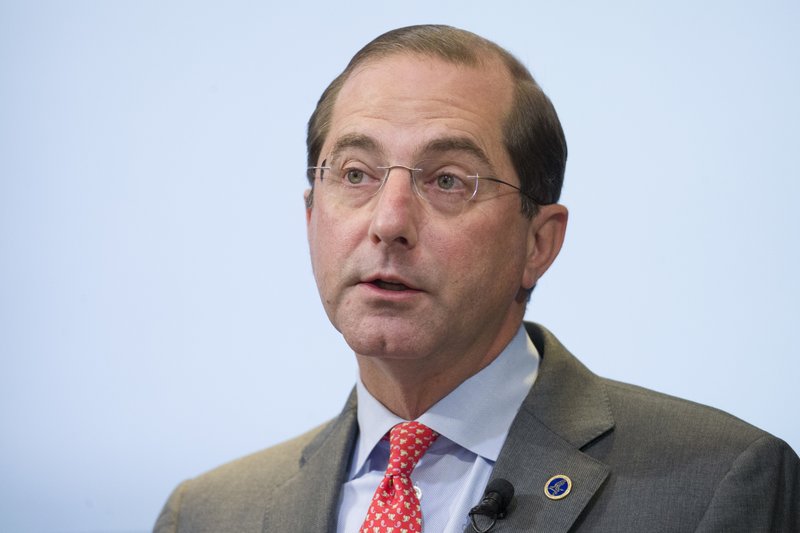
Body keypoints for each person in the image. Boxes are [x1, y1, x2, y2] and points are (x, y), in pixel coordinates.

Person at [154, 25, 799, 532]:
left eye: (447, 181)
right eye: (354, 173)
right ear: (310, 214)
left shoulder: (718, 484)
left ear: (538, 243)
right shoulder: (208, 513)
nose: (389, 222)